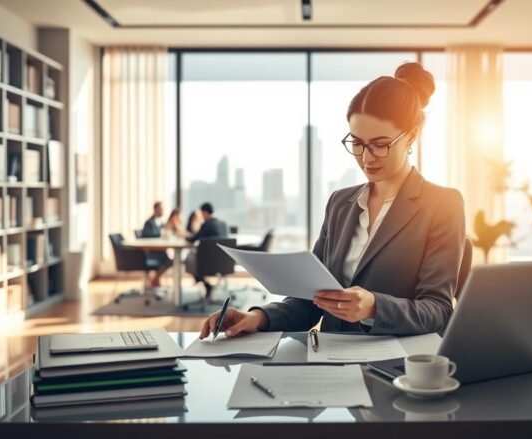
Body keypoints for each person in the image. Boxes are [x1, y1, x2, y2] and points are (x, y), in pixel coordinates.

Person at [200, 62, 465, 339]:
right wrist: (258, 317)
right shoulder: (340, 203)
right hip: (328, 356)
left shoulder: (442, 205)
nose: (366, 157)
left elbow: (437, 310)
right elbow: (311, 299)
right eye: (358, 143)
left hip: (396, 366)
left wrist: (375, 307)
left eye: (380, 144)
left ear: (410, 136)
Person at [185, 202, 229, 298]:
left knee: (188, 259)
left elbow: (193, 239)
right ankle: (207, 286)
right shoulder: (223, 224)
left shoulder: (207, 225)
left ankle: (206, 285)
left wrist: (185, 236)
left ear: (205, 212)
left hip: (207, 265)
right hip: (225, 263)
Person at [140, 201, 173, 287]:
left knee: (170, 260)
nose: (162, 211)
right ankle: (155, 279)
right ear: (155, 209)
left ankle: (155, 279)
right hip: (151, 252)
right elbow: (145, 236)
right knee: (169, 261)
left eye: (163, 209)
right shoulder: (149, 223)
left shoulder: (161, 223)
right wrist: (161, 234)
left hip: (160, 250)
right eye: (160, 209)